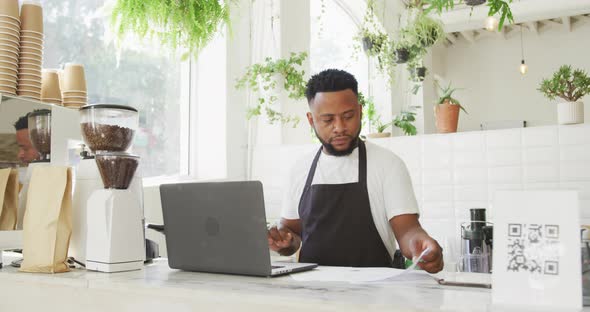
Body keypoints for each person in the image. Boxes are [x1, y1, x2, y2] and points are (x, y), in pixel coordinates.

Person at [267, 69, 443, 273]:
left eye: (348, 116)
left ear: (359, 111)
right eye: (328, 120)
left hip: (374, 298)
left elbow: (408, 231)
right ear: (311, 120)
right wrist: (283, 242)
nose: (340, 127)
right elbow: (292, 237)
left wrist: (420, 244)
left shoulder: (388, 164)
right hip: (312, 297)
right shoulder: (300, 169)